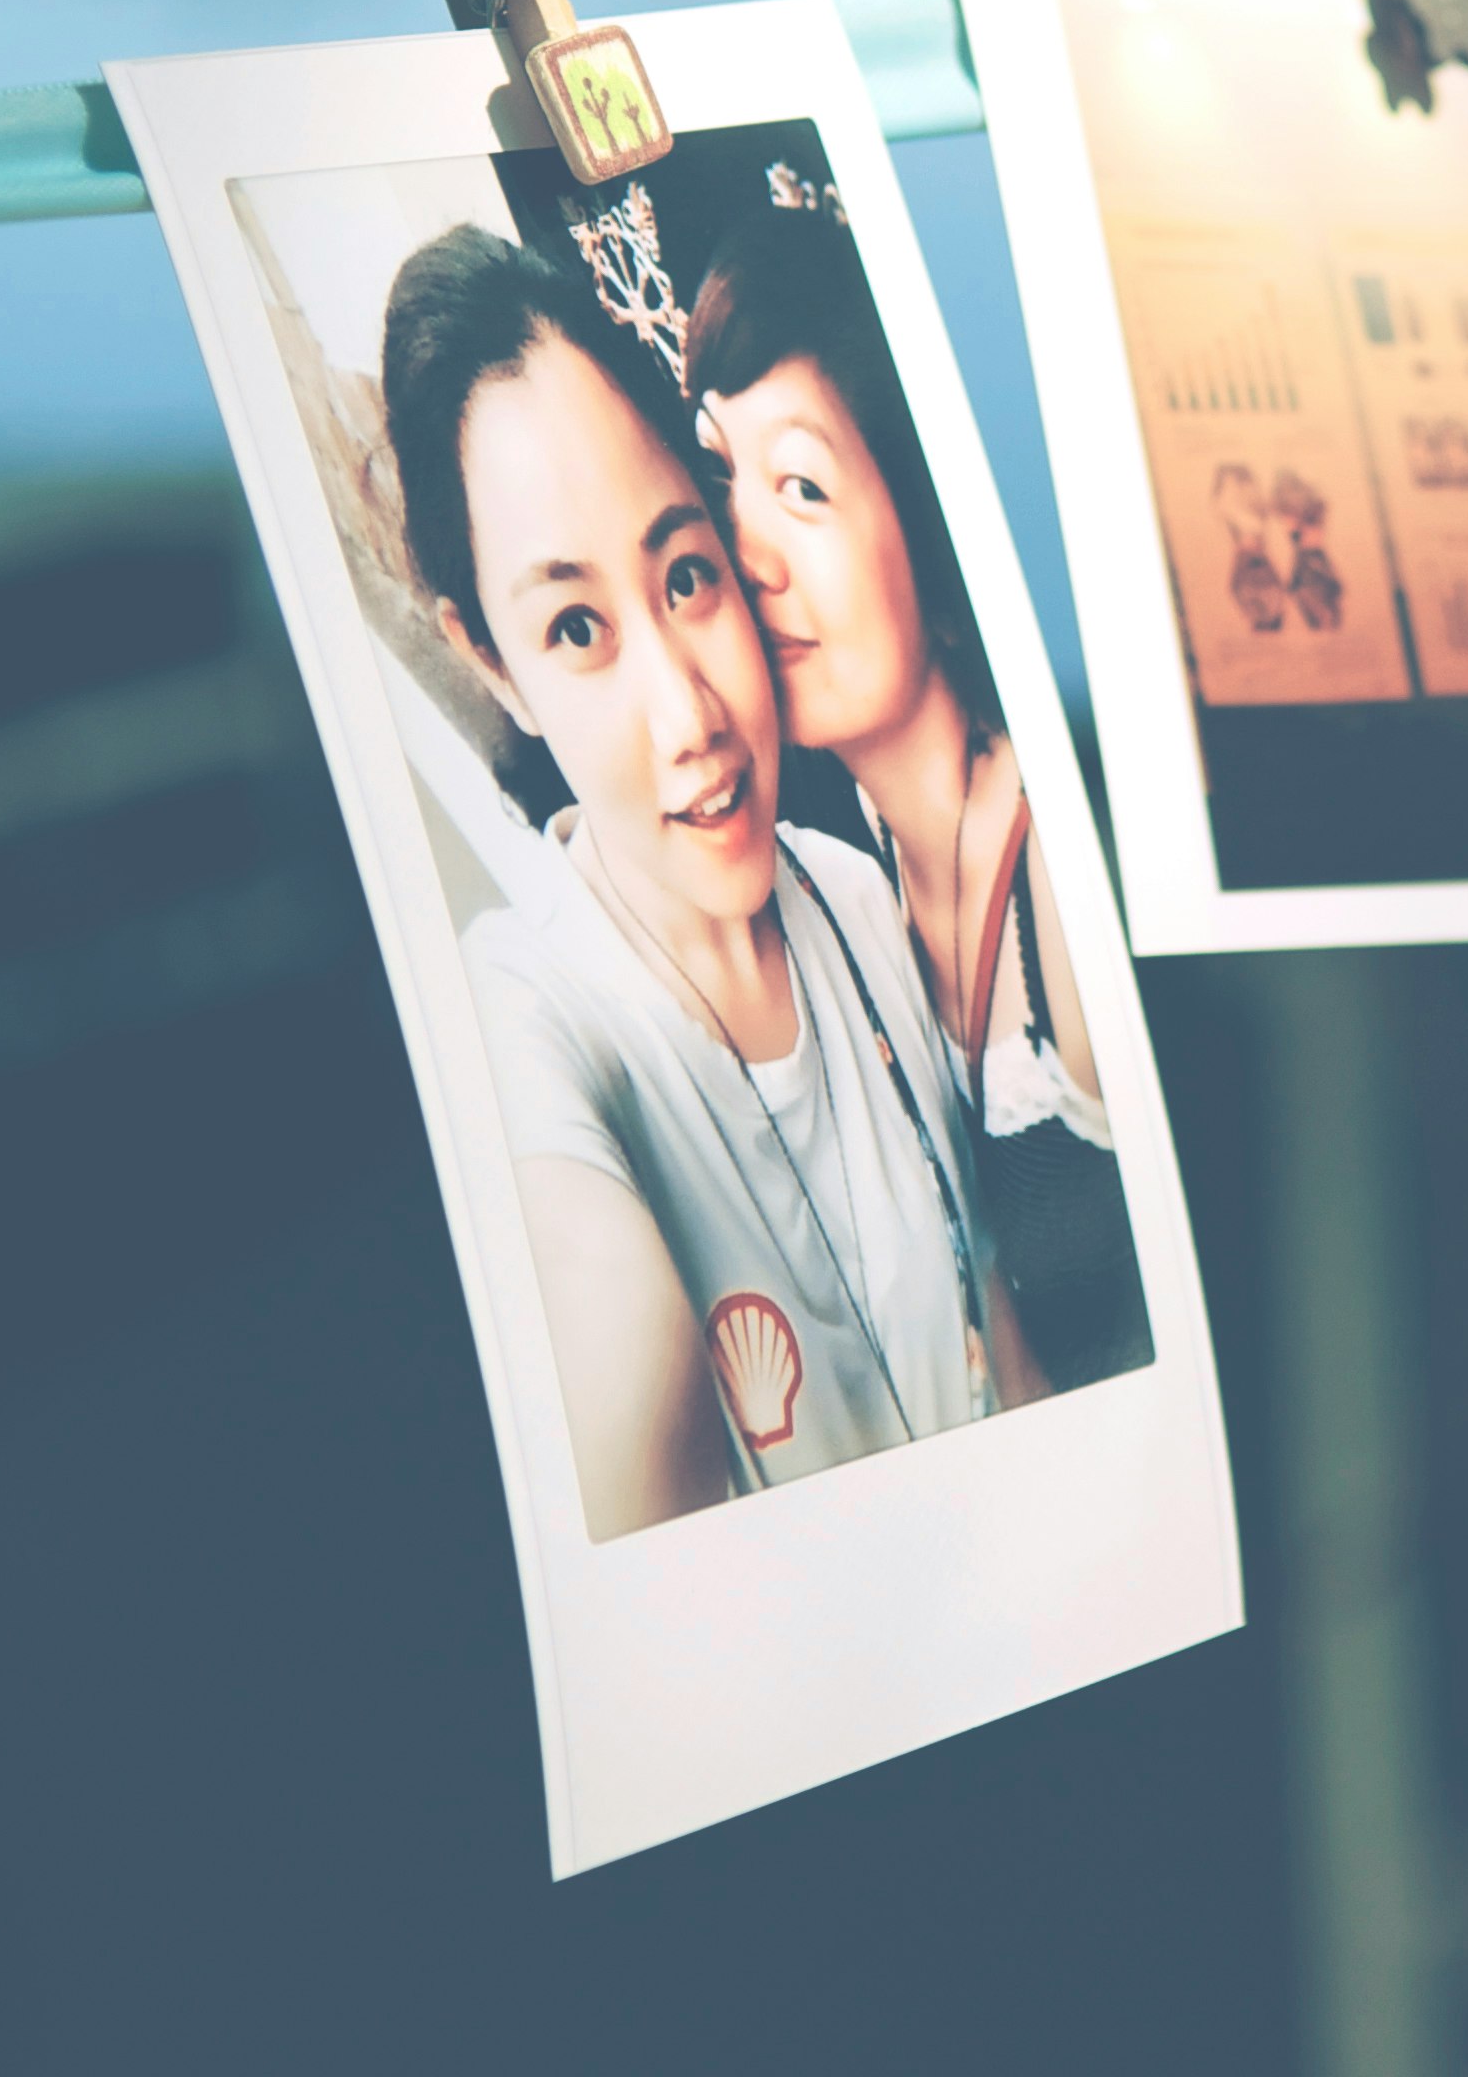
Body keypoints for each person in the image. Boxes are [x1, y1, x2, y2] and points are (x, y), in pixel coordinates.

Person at [381, 225, 1034, 1543]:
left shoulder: (858, 903)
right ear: (491, 663)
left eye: (686, 575)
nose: (687, 712)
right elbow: (604, 1312)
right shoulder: (521, 1017)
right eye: (575, 629)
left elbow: (997, 1352)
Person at [687, 211, 1153, 1393]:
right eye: (720, 478)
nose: (750, 554)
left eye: (802, 486)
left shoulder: (1064, 887)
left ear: (923, 519)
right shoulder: (826, 876)